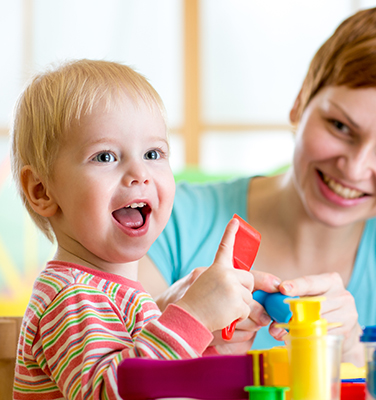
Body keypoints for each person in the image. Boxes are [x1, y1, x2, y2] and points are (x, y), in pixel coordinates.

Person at [139, 3, 376, 366]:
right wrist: (173, 317)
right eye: (340, 127)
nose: (354, 167)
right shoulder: (169, 216)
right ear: (300, 103)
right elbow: (105, 373)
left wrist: (353, 354)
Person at [11, 59, 255, 399]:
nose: (139, 173)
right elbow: (111, 391)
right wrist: (192, 317)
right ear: (42, 190)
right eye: (106, 157)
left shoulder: (122, 295)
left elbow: (162, 381)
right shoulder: (70, 297)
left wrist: (210, 338)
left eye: (153, 153)